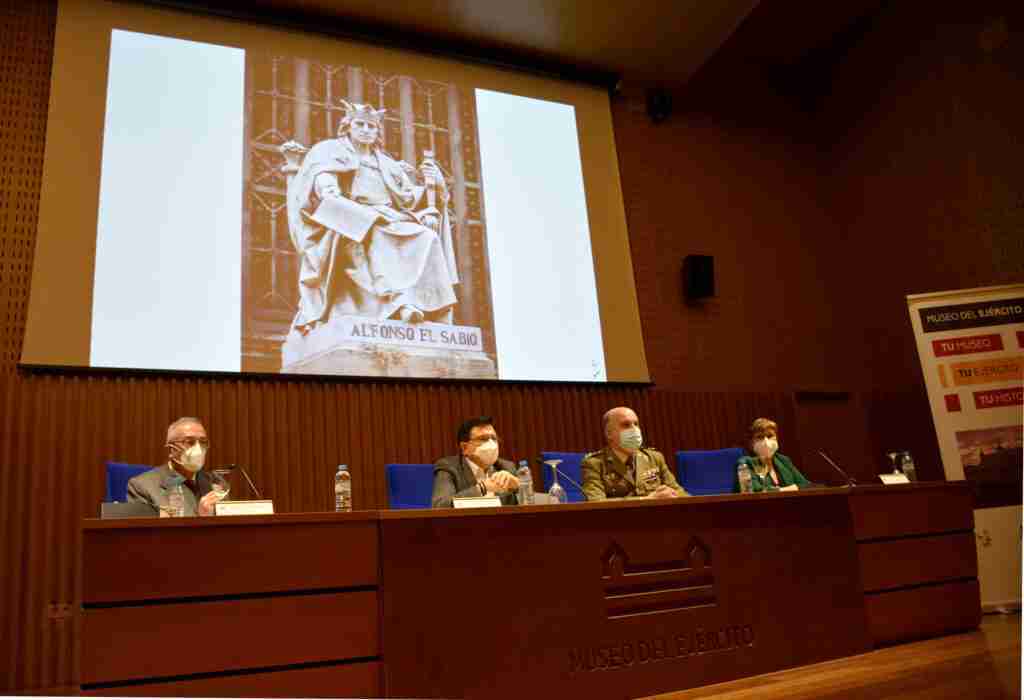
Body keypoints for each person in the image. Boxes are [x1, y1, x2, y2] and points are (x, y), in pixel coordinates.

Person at [286, 100, 459, 334]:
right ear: (348, 126)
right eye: (360, 124)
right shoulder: (329, 151)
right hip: (351, 219)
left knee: (426, 236)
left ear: (378, 131)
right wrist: (360, 212)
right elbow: (325, 191)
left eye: (372, 127)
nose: (366, 130)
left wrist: (436, 185)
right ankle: (399, 301)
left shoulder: (386, 163)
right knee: (375, 232)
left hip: (391, 216)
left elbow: (409, 199)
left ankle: (427, 306)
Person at [580, 407, 688, 500]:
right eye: (626, 425)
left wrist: (671, 494)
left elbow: (681, 494)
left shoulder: (654, 458)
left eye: (636, 424)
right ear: (609, 433)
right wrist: (647, 499)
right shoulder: (594, 463)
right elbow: (596, 502)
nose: (634, 429)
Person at [126, 417, 219, 516]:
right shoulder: (143, 486)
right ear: (171, 450)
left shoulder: (214, 483)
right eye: (190, 442)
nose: (198, 449)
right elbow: (143, 530)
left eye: (203, 442)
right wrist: (201, 519)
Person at [432, 416, 520, 508]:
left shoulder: (506, 467)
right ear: (464, 448)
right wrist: (482, 488)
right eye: (483, 439)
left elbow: (529, 503)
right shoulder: (449, 467)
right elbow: (440, 505)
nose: (491, 444)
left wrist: (517, 487)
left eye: (494, 438)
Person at [734, 417, 809, 492]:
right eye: (760, 437)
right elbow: (755, 490)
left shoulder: (783, 460)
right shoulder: (745, 463)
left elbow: (804, 484)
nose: (766, 441)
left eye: (770, 436)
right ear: (751, 442)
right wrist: (788, 489)